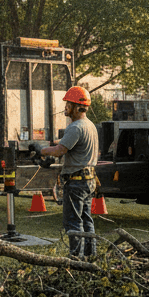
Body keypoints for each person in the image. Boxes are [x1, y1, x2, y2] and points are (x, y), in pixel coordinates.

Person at [40, 86, 100, 259]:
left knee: (73, 221)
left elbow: (60, 150)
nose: (66, 108)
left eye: (68, 104)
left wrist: (42, 150)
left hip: (76, 182)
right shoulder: (90, 126)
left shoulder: (75, 127)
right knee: (87, 219)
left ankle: (76, 258)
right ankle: (90, 256)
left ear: (76, 107)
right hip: (89, 180)